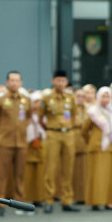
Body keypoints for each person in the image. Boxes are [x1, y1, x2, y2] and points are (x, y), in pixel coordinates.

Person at [39, 69, 79, 213]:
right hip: (53, 134)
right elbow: (40, 117)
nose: (60, 83)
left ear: (66, 82)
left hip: (68, 134)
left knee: (68, 169)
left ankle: (67, 200)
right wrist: (50, 128)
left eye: (63, 81)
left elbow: (74, 115)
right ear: (53, 81)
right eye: (58, 80)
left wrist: (68, 126)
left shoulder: (71, 97)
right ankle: (48, 200)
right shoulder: (47, 98)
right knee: (50, 168)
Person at [0, 71, 32, 216]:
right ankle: (0, 203)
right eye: (12, 80)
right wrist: (2, 134)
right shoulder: (1, 100)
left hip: (21, 142)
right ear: (7, 82)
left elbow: (28, 118)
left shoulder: (26, 100)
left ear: (21, 83)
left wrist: (20, 129)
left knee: (20, 174)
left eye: (17, 80)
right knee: (2, 174)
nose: (15, 83)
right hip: (5, 141)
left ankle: (20, 201)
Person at [83, 87, 112, 211]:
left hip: (111, 146)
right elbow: (84, 130)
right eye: (103, 96)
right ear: (98, 97)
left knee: (111, 175)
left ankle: (110, 201)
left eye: (108, 97)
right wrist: (92, 140)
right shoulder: (93, 112)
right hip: (97, 146)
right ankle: (96, 201)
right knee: (97, 175)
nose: (105, 99)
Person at [24, 91, 46, 207]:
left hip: (40, 144)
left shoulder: (43, 117)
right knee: (28, 172)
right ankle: (26, 197)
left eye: (40, 102)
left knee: (40, 172)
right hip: (28, 144)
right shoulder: (27, 115)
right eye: (35, 102)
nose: (38, 105)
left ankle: (39, 197)